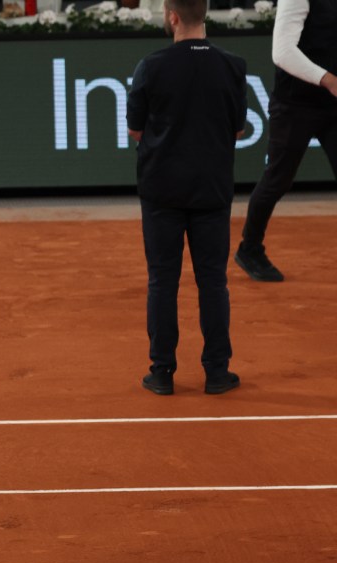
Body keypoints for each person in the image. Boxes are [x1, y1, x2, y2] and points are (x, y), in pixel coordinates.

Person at [127, 0, 247, 396]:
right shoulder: (232, 66)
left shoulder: (150, 65)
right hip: (212, 190)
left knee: (162, 281)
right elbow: (236, 130)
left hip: (161, 190)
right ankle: (217, 372)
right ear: (204, 13)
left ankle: (161, 373)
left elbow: (136, 132)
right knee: (213, 282)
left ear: (173, 16)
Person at [234, 0, 337, 282]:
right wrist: (328, 79)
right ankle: (250, 249)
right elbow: (282, 52)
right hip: (294, 105)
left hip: (332, 105)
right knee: (278, 179)